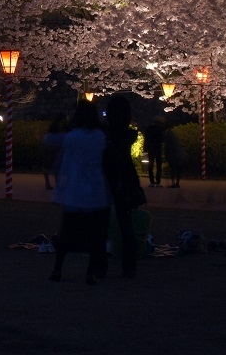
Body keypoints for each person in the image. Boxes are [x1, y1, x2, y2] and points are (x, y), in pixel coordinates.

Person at [49, 100, 109, 285]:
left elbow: (56, 148)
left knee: (66, 232)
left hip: (75, 190)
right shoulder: (100, 136)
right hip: (96, 189)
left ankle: (58, 269)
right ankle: (90, 272)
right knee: (95, 235)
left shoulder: (72, 137)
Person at [103, 95, 144, 279]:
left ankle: (100, 264)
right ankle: (130, 266)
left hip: (107, 177)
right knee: (125, 224)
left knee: (101, 223)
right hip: (126, 178)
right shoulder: (130, 134)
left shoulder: (106, 134)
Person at [40, 116, 67, 190]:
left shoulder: (47, 136)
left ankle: (47, 183)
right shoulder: (60, 136)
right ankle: (57, 183)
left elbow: (43, 144)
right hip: (57, 153)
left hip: (48, 153)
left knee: (46, 168)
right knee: (57, 168)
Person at [142, 117, 166, 188]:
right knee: (159, 165)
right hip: (157, 148)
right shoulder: (160, 130)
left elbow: (146, 137)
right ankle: (158, 181)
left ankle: (152, 182)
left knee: (150, 165)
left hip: (150, 148)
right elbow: (162, 139)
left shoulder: (149, 129)